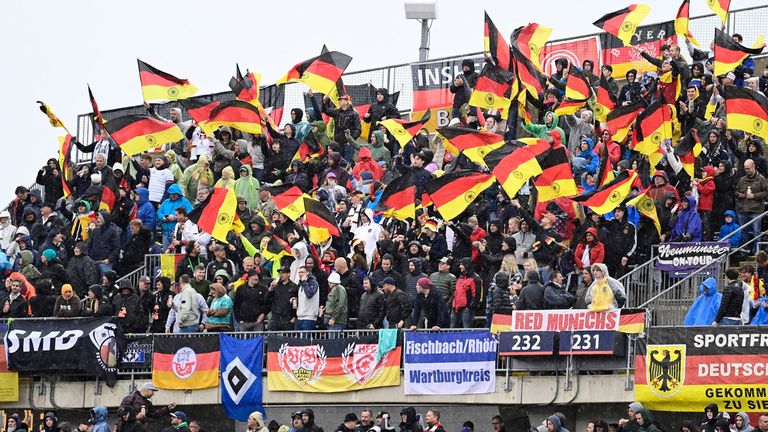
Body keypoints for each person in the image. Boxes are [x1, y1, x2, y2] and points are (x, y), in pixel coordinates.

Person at [736, 159, 768, 251]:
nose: (746, 170)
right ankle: (744, 250)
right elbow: (736, 191)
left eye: (748, 168)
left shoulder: (761, 179)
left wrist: (754, 196)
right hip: (743, 209)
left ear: (753, 166)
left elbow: (766, 193)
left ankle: (756, 251)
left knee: (756, 232)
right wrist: (739, 195)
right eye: (745, 169)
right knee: (743, 232)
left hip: (756, 210)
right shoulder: (742, 179)